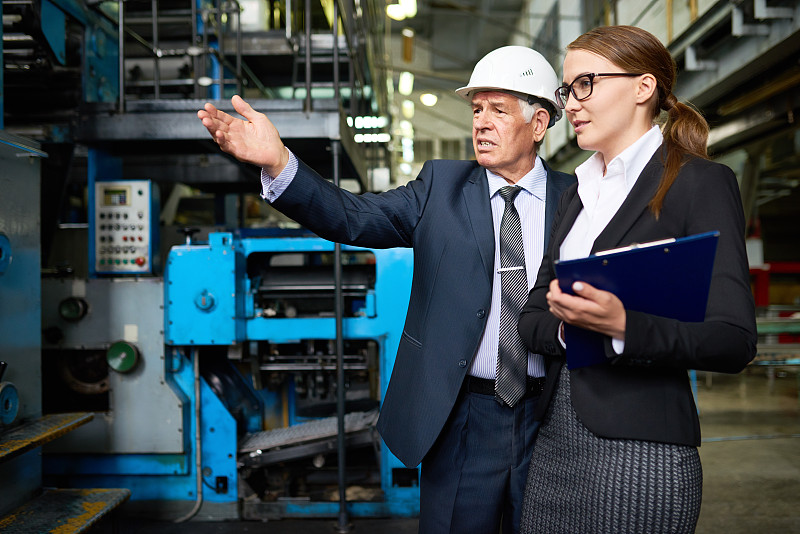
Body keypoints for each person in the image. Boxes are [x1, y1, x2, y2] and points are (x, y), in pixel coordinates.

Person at [198, 46, 575, 533]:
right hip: (461, 415)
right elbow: (354, 218)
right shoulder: (440, 188)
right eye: (477, 108)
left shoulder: (578, 197)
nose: (481, 122)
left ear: (539, 123)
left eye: (498, 110)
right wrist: (279, 162)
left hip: (551, 416)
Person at [516, 25, 757, 533]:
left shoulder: (698, 183)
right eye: (567, 90)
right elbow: (534, 313)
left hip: (641, 452)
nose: (571, 104)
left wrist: (624, 326)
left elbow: (733, 340)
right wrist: (569, 329)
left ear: (643, 87)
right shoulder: (576, 193)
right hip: (555, 444)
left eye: (586, 84)